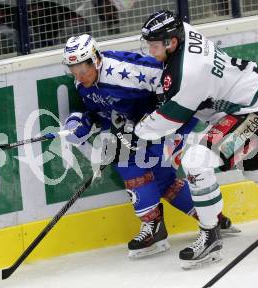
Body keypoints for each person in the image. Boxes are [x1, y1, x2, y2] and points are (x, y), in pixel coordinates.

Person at [135, 10, 258, 269]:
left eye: (154, 46)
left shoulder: (188, 71)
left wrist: (137, 130)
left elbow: (169, 120)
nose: (151, 51)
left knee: (197, 160)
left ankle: (210, 236)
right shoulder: (184, 31)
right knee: (257, 167)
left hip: (249, 112)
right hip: (254, 100)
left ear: (171, 42)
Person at [61, 34, 237, 259]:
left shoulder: (123, 71)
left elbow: (174, 81)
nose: (78, 75)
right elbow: (107, 112)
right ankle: (211, 218)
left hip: (175, 115)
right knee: (160, 179)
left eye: (82, 69)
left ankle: (154, 228)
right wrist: (85, 121)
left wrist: (150, 120)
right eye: (72, 69)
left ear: (95, 60)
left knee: (128, 160)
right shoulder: (83, 83)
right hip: (149, 125)